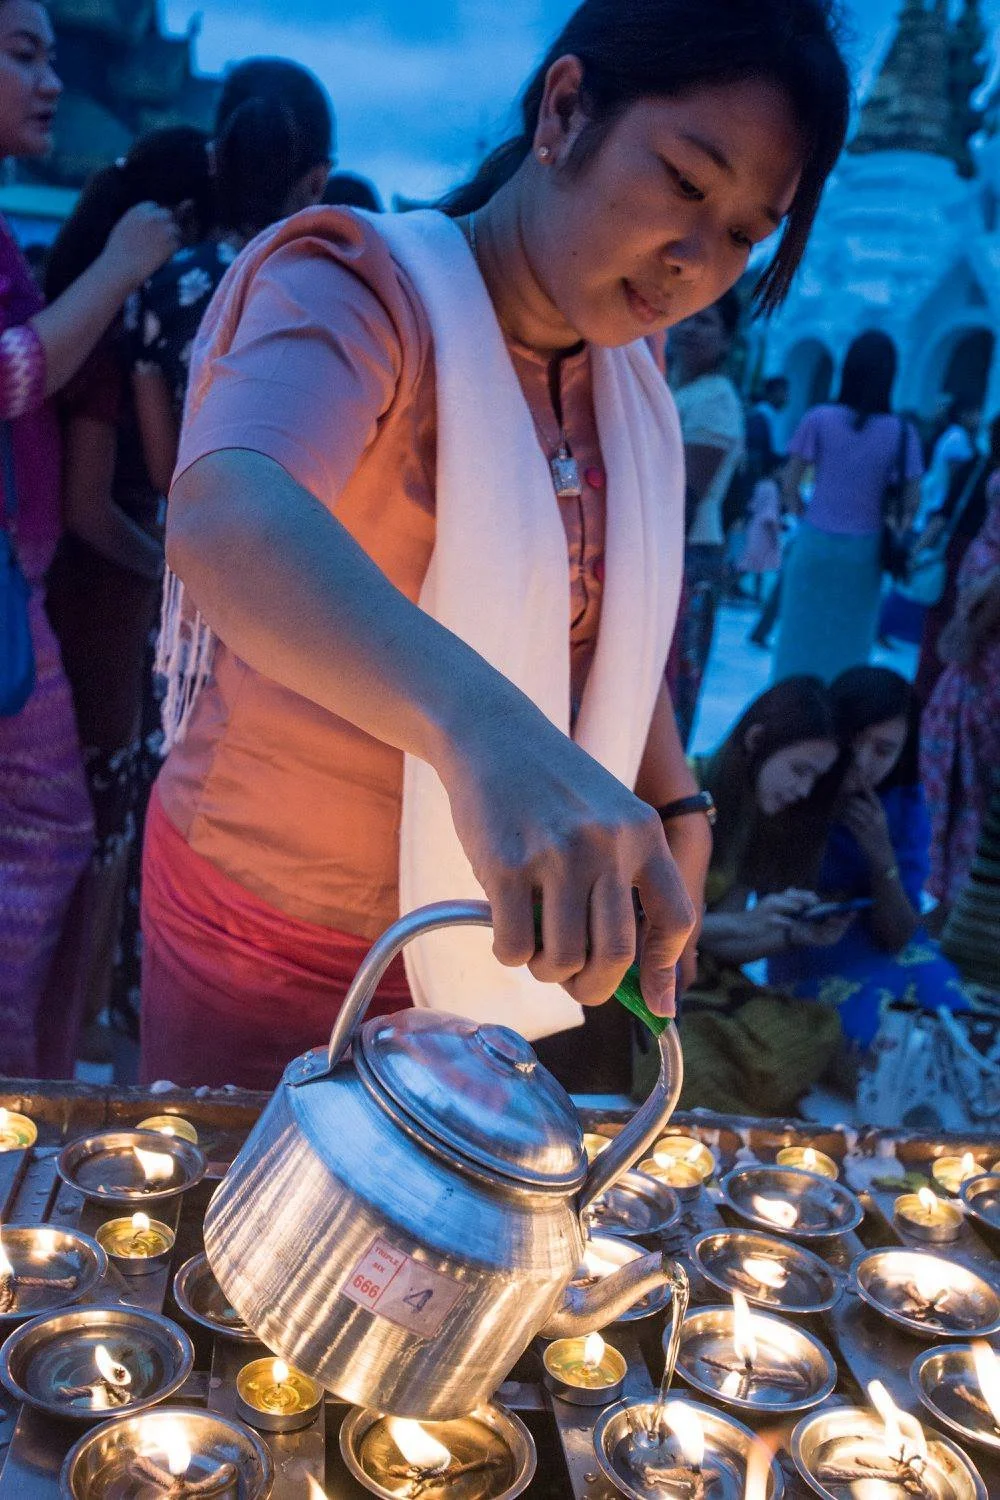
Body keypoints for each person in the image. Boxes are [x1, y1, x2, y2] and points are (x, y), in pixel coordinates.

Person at [141, 0, 851, 1091]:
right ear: (565, 109)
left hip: (490, 941)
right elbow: (232, 511)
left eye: (746, 234)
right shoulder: (358, 287)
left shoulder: (629, 379)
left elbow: (601, 620)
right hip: (277, 925)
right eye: (684, 184)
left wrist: (673, 800)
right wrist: (483, 729)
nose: (694, 261)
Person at [0, 0, 179, 1076]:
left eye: (56, 57)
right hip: (13, 597)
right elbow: (10, 372)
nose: (52, 81)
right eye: (23, 55)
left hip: (22, 587)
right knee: (50, 825)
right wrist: (119, 265)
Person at [40, 127, 214, 1062]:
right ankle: (76, 1026)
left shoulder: (91, 311)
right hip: (95, 606)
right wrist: (181, 577)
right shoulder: (107, 341)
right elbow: (89, 509)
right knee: (95, 823)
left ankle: (74, 1018)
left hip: (90, 600)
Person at [130, 58, 335, 494]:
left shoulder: (162, 285)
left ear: (215, 159)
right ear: (317, 182)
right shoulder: (330, 295)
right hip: (300, 550)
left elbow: (164, 470)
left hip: (186, 550)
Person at [659, 677, 851, 1116]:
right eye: (800, 769)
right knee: (697, 1068)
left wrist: (791, 935)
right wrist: (752, 921)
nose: (803, 790)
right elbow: (648, 920)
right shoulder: (681, 792)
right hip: (640, 971)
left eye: (815, 778)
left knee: (813, 1031)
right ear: (757, 739)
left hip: (700, 973)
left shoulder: (751, 816)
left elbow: (715, 943)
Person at [769, 666, 969, 1054]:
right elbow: (771, 897)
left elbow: (901, 935)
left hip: (887, 951)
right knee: (888, 1046)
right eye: (852, 741)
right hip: (811, 959)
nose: (862, 761)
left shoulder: (903, 806)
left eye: (883, 750)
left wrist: (880, 856)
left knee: (954, 1023)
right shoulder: (796, 788)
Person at [772, 331, 924, 684]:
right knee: (849, 646)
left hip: (814, 544)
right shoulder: (902, 431)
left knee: (798, 639)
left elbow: (790, 483)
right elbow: (911, 502)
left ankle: (789, 711)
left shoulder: (820, 418)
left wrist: (804, 516)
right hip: (865, 554)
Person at [667, 288, 745, 746]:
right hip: (672, 551)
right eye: (688, 317)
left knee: (673, 673)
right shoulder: (680, 388)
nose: (691, 328)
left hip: (687, 553)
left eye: (707, 322)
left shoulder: (714, 401)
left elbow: (686, 495)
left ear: (727, 340)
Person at [921, 464, 1000, 911]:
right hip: (977, 659)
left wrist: (972, 627)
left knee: (969, 783)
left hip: (984, 666)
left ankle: (961, 903)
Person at [913, 415, 999, 707]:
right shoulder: (975, 469)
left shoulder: (974, 469)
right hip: (981, 568)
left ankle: (926, 705)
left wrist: (917, 552)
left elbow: (943, 515)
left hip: (960, 558)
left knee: (938, 635)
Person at [918, 397, 981, 531]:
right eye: (976, 413)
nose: (979, 418)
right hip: (939, 500)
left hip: (934, 496)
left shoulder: (952, 433)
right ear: (964, 414)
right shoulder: (959, 437)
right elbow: (955, 475)